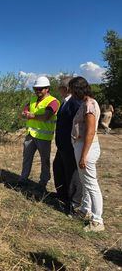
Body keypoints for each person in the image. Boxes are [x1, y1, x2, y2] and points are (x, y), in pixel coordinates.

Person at [69, 76, 104, 232]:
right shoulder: (86, 103)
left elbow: (90, 132)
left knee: (91, 184)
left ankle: (97, 221)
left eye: (72, 89)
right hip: (82, 146)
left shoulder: (89, 105)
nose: (71, 92)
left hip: (86, 148)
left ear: (78, 89)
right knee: (86, 182)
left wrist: (83, 156)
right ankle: (85, 210)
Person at [19, 76, 60, 192]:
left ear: (47, 89)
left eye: (40, 89)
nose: (37, 91)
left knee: (44, 161)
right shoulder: (32, 100)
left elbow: (47, 116)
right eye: (35, 89)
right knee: (26, 158)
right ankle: (23, 179)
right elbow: (22, 113)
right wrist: (24, 114)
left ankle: (43, 182)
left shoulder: (53, 102)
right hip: (30, 135)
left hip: (43, 137)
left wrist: (32, 116)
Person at [53, 77, 82, 214]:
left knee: (72, 173)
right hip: (62, 144)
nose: (58, 90)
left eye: (59, 87)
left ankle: (74, 203)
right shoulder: (65, 102)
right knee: (58, 168)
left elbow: (80, 122)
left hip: (70, 144)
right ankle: (62, 195)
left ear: (65, 89)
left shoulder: (75, 102)